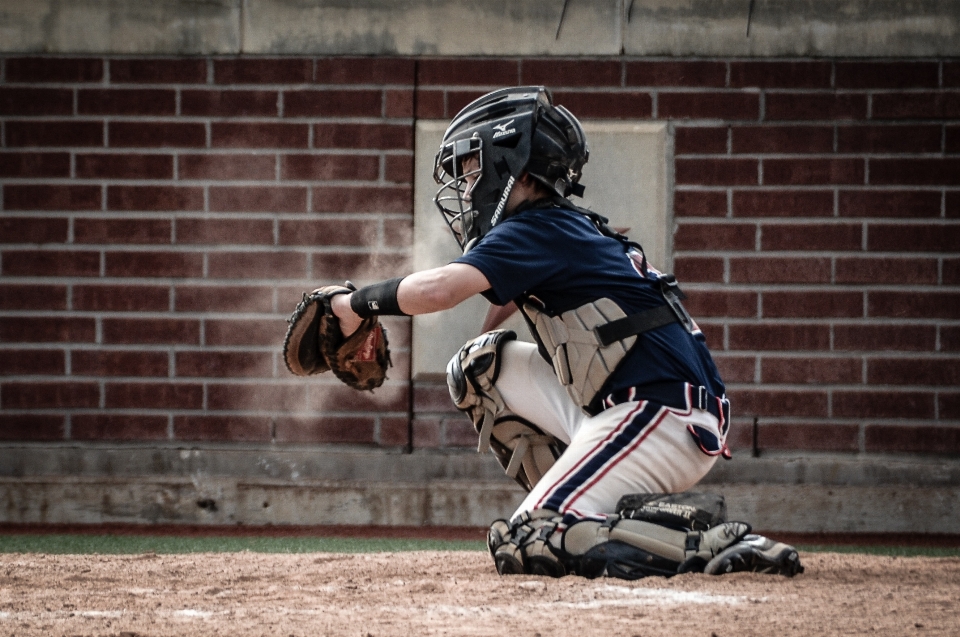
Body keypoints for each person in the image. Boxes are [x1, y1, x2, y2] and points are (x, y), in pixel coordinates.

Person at [330, 86, 802, 579]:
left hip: (659, 416)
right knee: (478, 368)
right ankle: (579, 509)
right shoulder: (558, 227)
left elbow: (441, 290)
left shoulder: (538, 228)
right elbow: (509, 294)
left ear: (514, 164)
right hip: (645, 406)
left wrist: (354, 304)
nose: (468, 184)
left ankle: (699, 541)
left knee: (528, 537)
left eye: (474, 167)